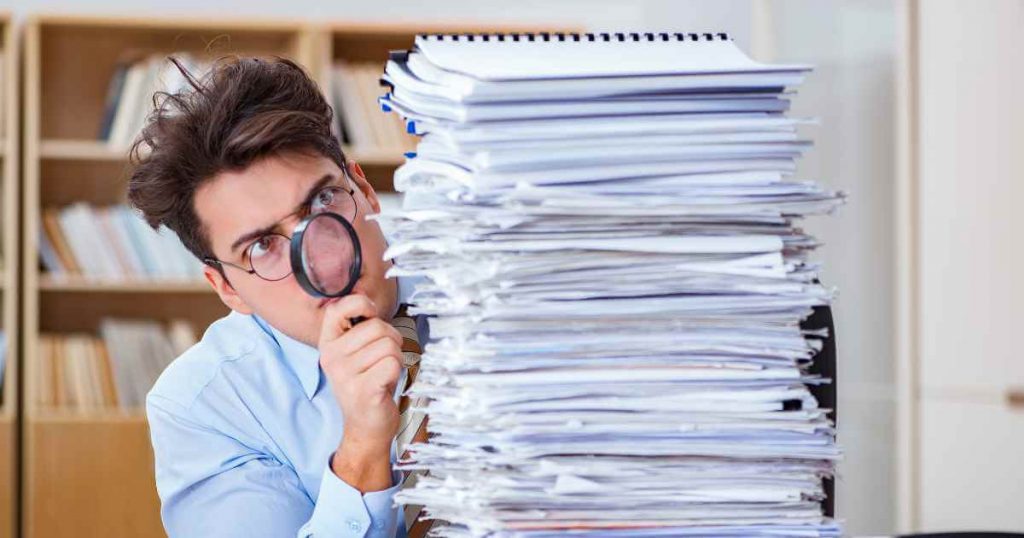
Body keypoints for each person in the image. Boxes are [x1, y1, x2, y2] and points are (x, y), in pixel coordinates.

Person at [128, 56, 423, 537]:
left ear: (366, 190)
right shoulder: (205, 406)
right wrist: (363, 448)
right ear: (227, 289)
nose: (321, 257)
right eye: (262, 246)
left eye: (324, 201)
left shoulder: (498, 288)